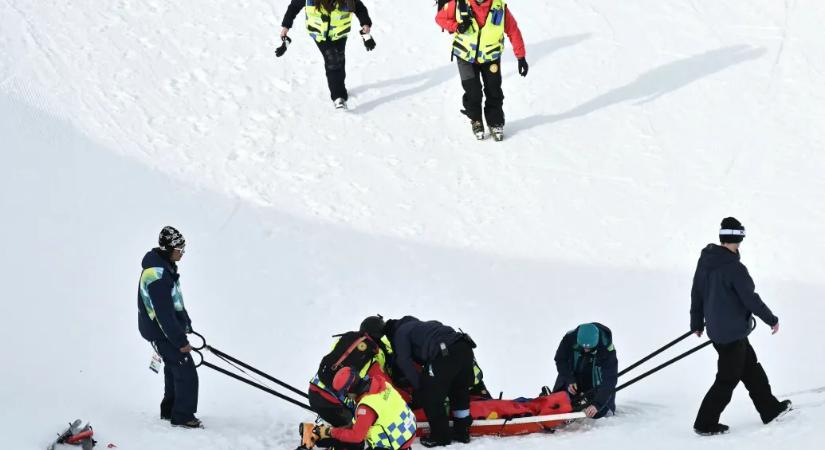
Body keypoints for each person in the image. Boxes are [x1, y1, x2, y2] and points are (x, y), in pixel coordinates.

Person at [690, 217, 792, 436]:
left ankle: (770, 409)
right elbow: (751, 299)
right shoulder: (734, 268)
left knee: (751, 369)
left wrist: (696, 322)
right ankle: (704, 423)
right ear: (738, 239)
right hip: (731, 334)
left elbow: (697, 292)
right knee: (727, 379)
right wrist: (771, 319)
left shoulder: (706, 260)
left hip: (720, 331)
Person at [435, 0, 527, 141]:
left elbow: (513, 30)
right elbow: (440, 18)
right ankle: (476, 119)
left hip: (490, 57)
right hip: (465, 57)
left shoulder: (499, 7)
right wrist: (456, 26)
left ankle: (495, 122)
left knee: (494, 90)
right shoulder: (459, 4)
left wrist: (521, 57)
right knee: (473, 91)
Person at [137, 226, 201, 428]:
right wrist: (180, 341)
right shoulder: (157, 275)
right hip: (162, 332)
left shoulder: (165, 266)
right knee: (186, 371)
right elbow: (163, 314)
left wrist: (185, 324)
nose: (182, 252)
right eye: (179, 249)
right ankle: (182, 416)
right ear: (168, 248)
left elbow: (174, 302)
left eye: (183, 248)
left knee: (175, 369)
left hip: (165, 331)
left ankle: (170, 410)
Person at [384, 316, 476, 447]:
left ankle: (441, 437)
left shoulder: (400, 332)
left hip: (445, 352)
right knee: (459, 391)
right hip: (465, 347)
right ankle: (462, 432)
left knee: (430, 396)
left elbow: (404, 361)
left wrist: (420, 387)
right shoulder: (425, 325)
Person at [305, 316, 392, 450]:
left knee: (348, 427)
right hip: (331, 403)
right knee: (355, 441)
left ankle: (315, 433)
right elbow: (382, 384)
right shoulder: (374, 356)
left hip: (314, 388)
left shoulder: (347, 338)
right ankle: (313, 433)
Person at [279, 0, 375, 110]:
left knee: (339, 59)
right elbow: (294, 7)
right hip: (320, 34)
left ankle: (341, 91)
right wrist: (286, 26)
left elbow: (360, 8)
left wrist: (365, 25)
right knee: (332, 59)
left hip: (340, 33)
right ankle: (338, 97)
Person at [306, 367, 416, 450]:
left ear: (349, 390)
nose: (347, 397)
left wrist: (331, 433)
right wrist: (331, 432)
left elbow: (356, 437)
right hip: (409, 430)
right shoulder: (382, 384)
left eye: (345, 394)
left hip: (396, 444)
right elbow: (356, 424)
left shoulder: (366, 407)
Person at [551, 323, 617, 419]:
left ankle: (594, 402)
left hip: (596, 383)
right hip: (574, 376)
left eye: (589, 348)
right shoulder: (570, 338)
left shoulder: (607, 348)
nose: (586, 350)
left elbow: (610, 379)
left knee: (597, 413)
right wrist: (570, 380)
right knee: (558, 403)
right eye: (583, 347)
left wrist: (597, 404)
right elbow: (560, 360)